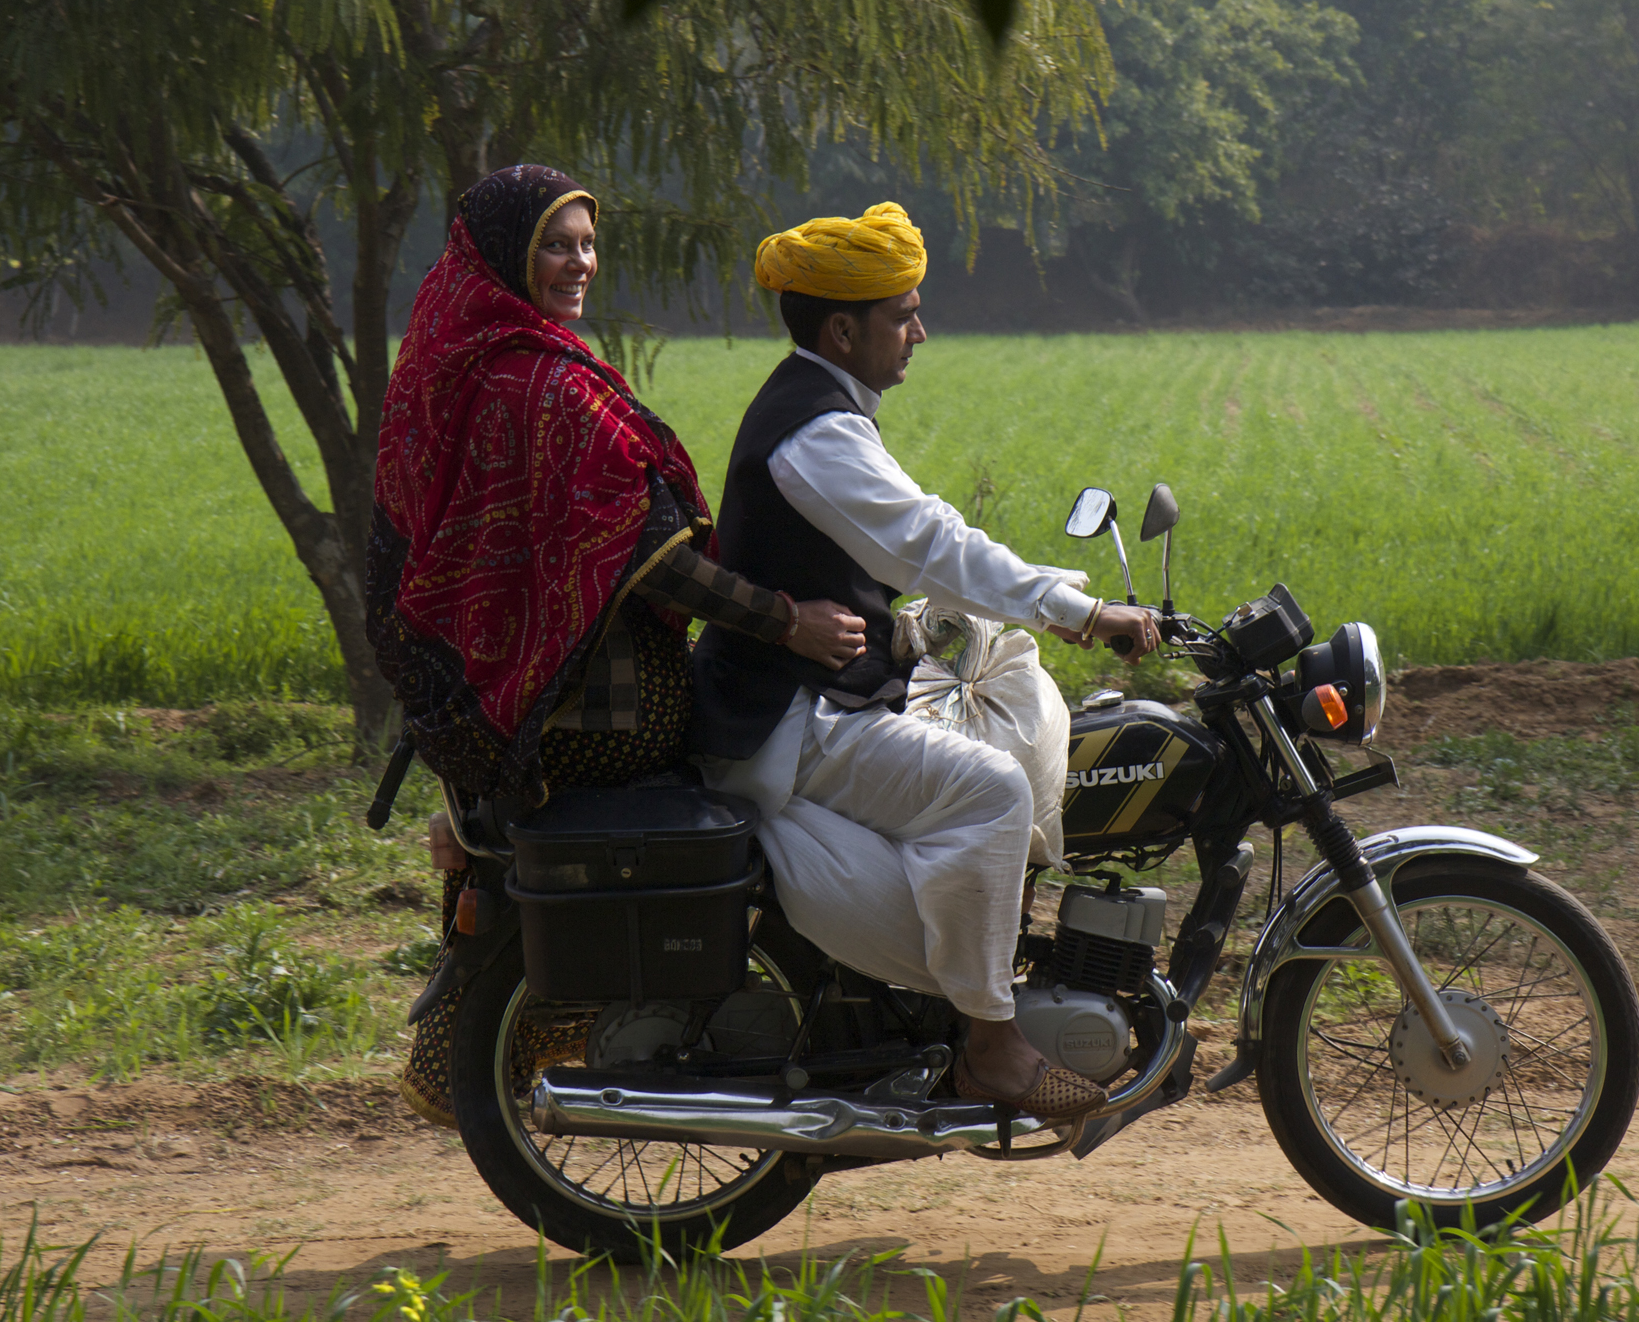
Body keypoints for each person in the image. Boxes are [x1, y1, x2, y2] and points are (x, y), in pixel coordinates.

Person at [367, 164, 863, 1128]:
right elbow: (646, 558)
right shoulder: (550, 385)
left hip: (499, 707)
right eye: (557, 243)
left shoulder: (449, 360)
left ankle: (510, 1030)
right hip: (597, 717)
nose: (579, 262)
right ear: (507, 254)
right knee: (760, 782)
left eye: (587, 242)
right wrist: (782, 618)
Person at [692, 202, 1158, 1122]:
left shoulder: (822, 410)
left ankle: (966, 985)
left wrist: (908, 633)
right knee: (991, 791)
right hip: (794, 721)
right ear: (842, 328)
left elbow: (879, 557)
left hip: (817, 696)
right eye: (903, 314)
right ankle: (989, 1043)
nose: (920, 331)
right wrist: (1081, 609)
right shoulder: (817, 435)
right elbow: (929, 541)